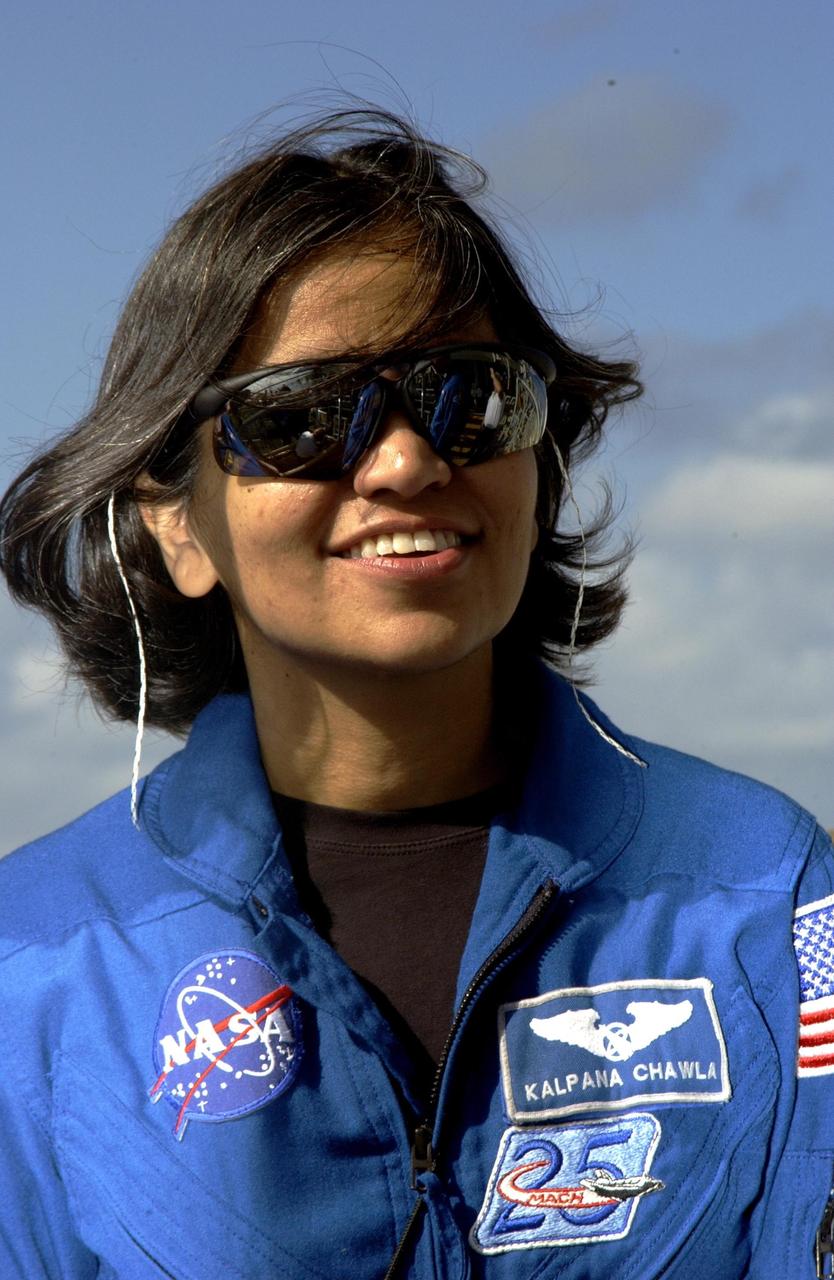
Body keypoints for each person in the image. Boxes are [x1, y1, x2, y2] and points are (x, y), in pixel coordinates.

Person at [0, 107, 831, 1280]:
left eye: (472, 394)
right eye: (300, 417)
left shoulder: (765, 898)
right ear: (176, 521)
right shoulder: (30, 967)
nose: (404, 462)